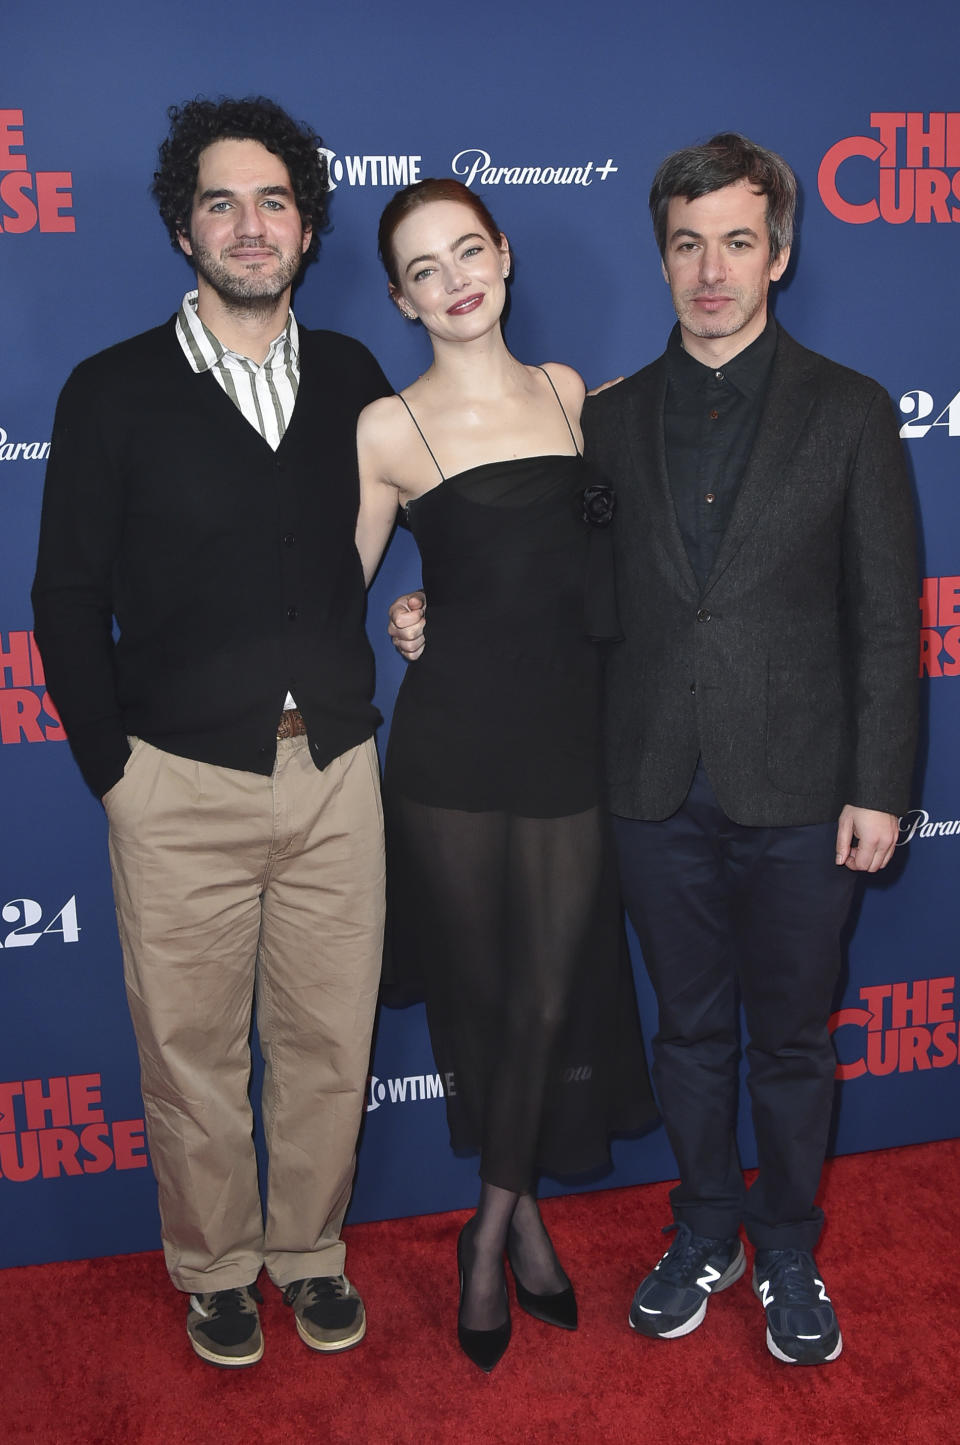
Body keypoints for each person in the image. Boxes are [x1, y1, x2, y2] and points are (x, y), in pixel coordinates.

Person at [390, 135, 918, 1367]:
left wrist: (880, 788)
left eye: (739, 240)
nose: (712, 269)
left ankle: (788, 1241)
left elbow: (887, 619)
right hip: (645, 784)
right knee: (687, 1031)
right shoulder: (602, 419)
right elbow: (535, 573)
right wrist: (432, 614)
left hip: (800, 789)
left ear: (780, 254)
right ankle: (708, 1226)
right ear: (663, 256)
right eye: (688, 243)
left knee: (790, 1037)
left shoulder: (848, 410)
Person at [31, 97, 391, 1368]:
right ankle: (218, 1265)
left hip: (337, 771)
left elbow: (414, 513)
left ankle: (308, 1251)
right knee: (189, 1054)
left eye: (274, 200)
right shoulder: (113, 388)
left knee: (328, 1041)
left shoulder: (351, 371)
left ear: (307, 225)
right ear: (186, 227)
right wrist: (113, 773)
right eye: (222, 202)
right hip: (175, 778)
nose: (251, 224)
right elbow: (63, 595)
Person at [356, 178, 653, 1372]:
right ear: (399, 296)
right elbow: (335, 593)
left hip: (567, 739)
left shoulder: (574, 396)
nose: (454, 279)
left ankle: (491, 1220)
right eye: (424, 268)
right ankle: (514, 1222)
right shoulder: (389, 428)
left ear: (505, 255)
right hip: (447, 748)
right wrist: (397, 623)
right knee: (481, 1001)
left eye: (467, 251)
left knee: (546, 992)